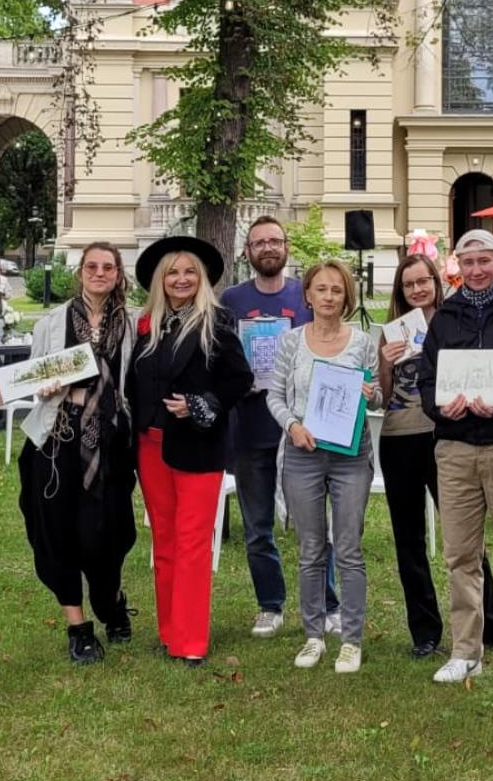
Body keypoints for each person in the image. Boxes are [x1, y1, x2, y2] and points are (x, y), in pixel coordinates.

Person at [416, 229, 493, 690]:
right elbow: (427, 379)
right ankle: (465, 652)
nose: (476, 270)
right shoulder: (445, 316)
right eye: (467, 263)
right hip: (454, 449)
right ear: (457, 266)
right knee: (460, 556)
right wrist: (439, 407)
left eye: (484, 261)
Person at [130, 237, 253, 666]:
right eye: (172, 272)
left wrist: (200, 404)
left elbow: (239, 380)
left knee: (193, 542)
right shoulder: (147, 325)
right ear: (160, 280)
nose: (181, 279)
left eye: (189, 272)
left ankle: (190, 640)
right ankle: (169, 631)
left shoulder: (216, 323)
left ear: (201, 279)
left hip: (198, 446)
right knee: (163, 541)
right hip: (150, 446)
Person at [378, 253, 493, 659]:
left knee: (464, 538)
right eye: (408, 284)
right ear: (400, 291)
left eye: (423, 281)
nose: (417, 289)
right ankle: (424, 630)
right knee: (408, 539)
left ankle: (491, 621)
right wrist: (385, 364)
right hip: (398, 438)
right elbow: (382, 396)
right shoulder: (391, 331)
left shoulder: (456, 322)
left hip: (445, 438)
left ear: (436, 282)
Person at [221, 214, 341, 639]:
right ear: (248, 252)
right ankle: (270, 606)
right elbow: (221, 359)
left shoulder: (305, 295)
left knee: (315, 528)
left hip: (303, 433)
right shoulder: (231, 301)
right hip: (250, 430)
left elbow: (330, 346)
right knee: (258, 530)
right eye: (259, 242)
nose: (268, 248)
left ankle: (328, 605)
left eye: (275, 240)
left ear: (286, 247)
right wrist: (239, 380)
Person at [17, 242, 137, 665]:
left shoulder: (134, 323)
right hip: (58, 440)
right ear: (80, 272)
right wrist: (46, 385)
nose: (99, 273)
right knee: (57, 534)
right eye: (91, 266)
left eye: (108, 267)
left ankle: (111, 602)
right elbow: (31, 379)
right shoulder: (52, 323)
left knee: (110, 533)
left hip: (111, 442)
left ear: (118, 274)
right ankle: (78, 627)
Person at [267, 260, 381, 675]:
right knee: (311, 549)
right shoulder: (291, 342)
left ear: (346, 296)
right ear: (308, 295)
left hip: (350, 455)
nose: (329, 296)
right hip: (303, 453)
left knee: (348, 548)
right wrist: (292, 426)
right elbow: (274, 396)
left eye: (337, 289)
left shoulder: (363, 342)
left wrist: (371, 393)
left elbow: (379, 396)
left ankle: (351, 640)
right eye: (321, 289)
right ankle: (313, 635)